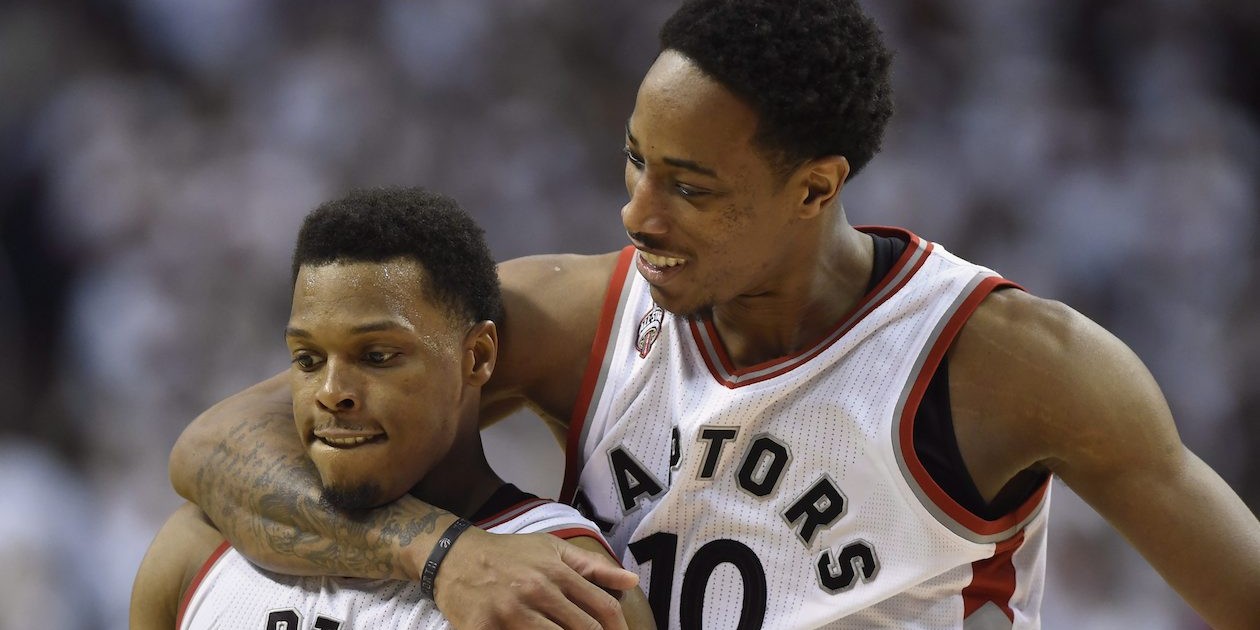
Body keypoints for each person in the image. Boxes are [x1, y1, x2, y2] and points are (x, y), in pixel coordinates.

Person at [169, 1, 1260, 628]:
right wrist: (442, 556)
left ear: (816, 187)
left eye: (689, 186)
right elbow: (217, 449)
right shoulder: (582, 311)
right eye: (635, 161)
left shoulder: (1002, 361)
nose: (635, 211)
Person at [132, 187, 653, 629]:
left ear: (477, 357)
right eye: (307, 358)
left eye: (377, 356)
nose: (332, 391)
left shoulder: (564, 583)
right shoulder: (196, 547)